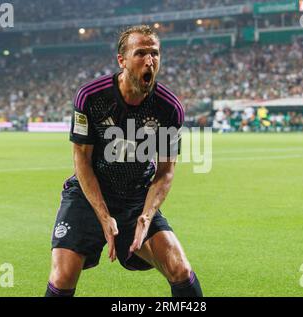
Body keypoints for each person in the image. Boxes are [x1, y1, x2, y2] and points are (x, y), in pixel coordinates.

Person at [45, 25, 203, 297]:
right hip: (87, 197)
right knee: (62, 276)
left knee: (180, 270)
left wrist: (146, 217)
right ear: (122, 60)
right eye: (140, 53)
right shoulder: (91, 98)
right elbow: (81, 159)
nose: (149, 60)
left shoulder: (169, 108)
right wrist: (103, 215)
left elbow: (166, 171)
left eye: (155, 53)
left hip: (135, 200)